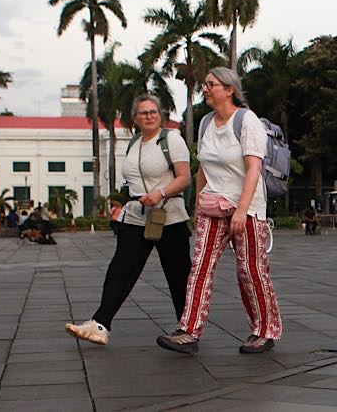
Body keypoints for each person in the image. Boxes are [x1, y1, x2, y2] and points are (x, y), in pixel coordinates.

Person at [156, 67, 281, 356]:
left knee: (250, 270)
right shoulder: (205, 123)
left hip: (247, 208)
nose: (206, 88)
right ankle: (189, 331)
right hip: (212, 206)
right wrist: (198, 205)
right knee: (200, 267)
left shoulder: (246, 120)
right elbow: (203, 168)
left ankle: (265, 331)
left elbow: (253, 169)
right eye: (205, 84)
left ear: (229, 89)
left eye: (211, 84)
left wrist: (241, 210)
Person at [65, 94, 192, 346]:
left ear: (160, 115)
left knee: (178, 274)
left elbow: (184, 177)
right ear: (135, 118)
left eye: (153, 112)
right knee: (121, 268)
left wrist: (160, 192)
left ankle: (188, 327)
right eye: (143, 113)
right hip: (136, 215)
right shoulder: (134, 143)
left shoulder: (172, 140)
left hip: (168, 215)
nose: (149, 116)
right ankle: (100, 324)